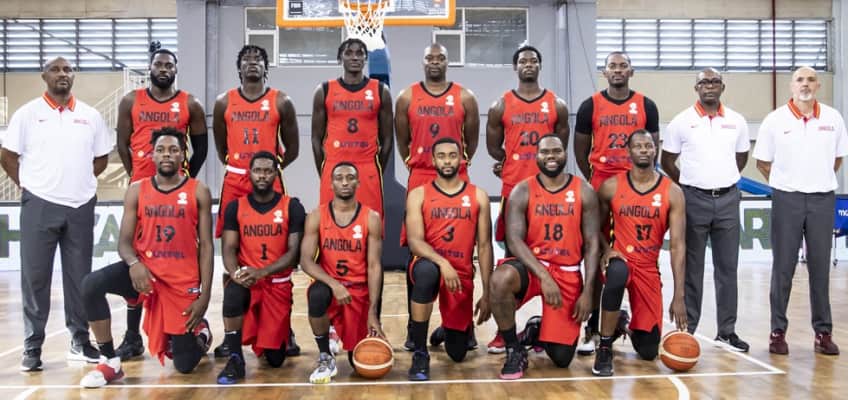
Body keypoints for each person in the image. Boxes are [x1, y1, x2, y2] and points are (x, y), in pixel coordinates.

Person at [0, 56, 113, 371]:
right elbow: (7, 156)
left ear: (73, 76)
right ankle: (32, 346)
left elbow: (101, 158)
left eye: (68, 69)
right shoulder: (27, 114)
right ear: (44, 76)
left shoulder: (90, 116)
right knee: (35, 278)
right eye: (55, 69)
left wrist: (80, 181)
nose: (62, 74)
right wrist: (28, 185)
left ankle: (80, 341)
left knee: (80, 278)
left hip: (80, 205)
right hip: (40, 204)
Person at [78, 128, 214, 388]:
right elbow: (124, 242)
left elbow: (206, 247)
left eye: (173, 150)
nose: (167, 155)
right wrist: (134, 263)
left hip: (180, 281)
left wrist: (204, 296)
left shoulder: (199, 191)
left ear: (183, 155)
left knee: (184, 364)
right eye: (160, 150)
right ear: (152, 155)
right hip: (146, 274)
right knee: (90, 285)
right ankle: (109, 361)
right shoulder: (137, 190)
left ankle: (201, 333)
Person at [113, 44, 209, 360]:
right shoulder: (131, 101)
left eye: (169, 65)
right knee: (137, 262)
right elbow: (122, 143)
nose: (164, 69)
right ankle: (132, 336)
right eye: (159, 64)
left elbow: (201, 148)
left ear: (176, 69)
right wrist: (136, 176)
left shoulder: (190, 103)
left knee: (176, 260)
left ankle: (189, 321)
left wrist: (185, 181)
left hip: (176, 193)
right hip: (143, 194)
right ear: (150, 68)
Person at [212, 44, 300, 357]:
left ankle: (284, 329)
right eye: (247, 60)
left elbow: (292, 147)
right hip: (236, 178)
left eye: (258, 59)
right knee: (232, 252)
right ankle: (231, 333)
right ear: (239, 68)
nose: (252, 64)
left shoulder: (281, 101)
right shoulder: (224, 101)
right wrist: (245, 170)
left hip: (269, 178)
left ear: (266, 68)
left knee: (277, 246)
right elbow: (221, 147)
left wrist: (267, 171)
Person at [488, 135, 599, 380]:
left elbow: (593, 244)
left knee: (561, 358)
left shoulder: (584, 191)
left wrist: (588, 291)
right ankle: (513, 349)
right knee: (500, 279)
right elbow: (514, 240)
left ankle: (537, 329)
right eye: (545, 152)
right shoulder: (522, 190)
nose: (551, 156)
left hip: (567, 272)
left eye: (556, 151)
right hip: (533, 268)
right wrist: (544, 276)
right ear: (536, 156)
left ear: (565, 154)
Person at [753, 66, 845, 356]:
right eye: (799, 80)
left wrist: (815, 180)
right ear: (791, 86)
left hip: (822, 199)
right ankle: (777, 332)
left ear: (818, 86)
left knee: (820, 268)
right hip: (787, 199)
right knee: (783, 268)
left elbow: (837, 158)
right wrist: (787, 183)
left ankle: (823, 333)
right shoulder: (774, 120)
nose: (805, 84)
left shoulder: (833, 118)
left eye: (811, 80)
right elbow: (762, 162)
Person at [572, 51, 659, 356]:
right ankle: (593, 327)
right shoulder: (590, 105)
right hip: (603, 183)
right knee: (596, 254)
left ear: (631, 71)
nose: (618, 70)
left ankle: (630, 318)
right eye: (612, 66)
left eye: (623, 66)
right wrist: (595, 179)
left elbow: (653, 146)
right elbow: (580, 150)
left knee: (636, 254)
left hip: (637, 186)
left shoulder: (646, 105)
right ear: (605, 72)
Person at [395, 43, 480, 351]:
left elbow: (471, 142)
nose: (435, 62)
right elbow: (402, 140)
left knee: (462, 253)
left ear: (448, 61)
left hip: (456, 175)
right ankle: (414, 326)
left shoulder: (465, 97)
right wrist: (419, 162)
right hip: (421, 174)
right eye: (429, 57)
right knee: (417, 254)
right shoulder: (407, 97)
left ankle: (463, 325)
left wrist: (455, 163)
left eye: (441, 57)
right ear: (422, 62)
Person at [485, 45, 569, 353]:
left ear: (540, 66)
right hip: (513, 190)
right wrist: (508, 162)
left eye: (534, 60)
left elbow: (560, 145)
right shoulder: (500, 105)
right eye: (523, 61)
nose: (529, 64)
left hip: (549, 194)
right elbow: (493, 146)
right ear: (515, 67)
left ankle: (550, 326)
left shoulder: (556, 104)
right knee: (512, 262)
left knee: (554, 257)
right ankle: (505, 330)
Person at [661, 68, 750, 352]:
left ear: (722, 86)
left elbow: (741, 157)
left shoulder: (737, 121)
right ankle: (689, 329)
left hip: (728, 200)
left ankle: (727, 331)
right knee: (692, 268)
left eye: (714, 82)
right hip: (693, 199)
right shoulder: (681, 122)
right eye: (704, 82)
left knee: (728, 268)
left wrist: (722, 179)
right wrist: (689, 184)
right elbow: (667, 160)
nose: (709, 86)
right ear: (696, 88)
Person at [593, 130, 687, 376]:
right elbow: (593, 228)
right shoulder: (611, 186)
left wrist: (679, 295)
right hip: (619, 260)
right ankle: (604, 348)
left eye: (648, 145)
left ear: (655, 150)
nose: (644, 149)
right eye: (638, 146)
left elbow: (677, 246)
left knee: (648, 350)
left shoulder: (672, 192)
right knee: (617, 273)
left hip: (648, 268)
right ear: (629, 151)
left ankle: (622, 322)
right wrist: (607, 249)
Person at [405, 137, 493, 380]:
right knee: (427, 272)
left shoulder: (479, 196)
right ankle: (420, 352)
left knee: (457, 354)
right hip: (429, 264)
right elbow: (415, 242)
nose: (447, 161)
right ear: (433, 160)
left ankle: (449, 328)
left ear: (462, 160)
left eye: (452, 156)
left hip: (461, 274)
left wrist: (487, 293)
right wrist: (443, 263)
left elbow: (485, 246)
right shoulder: (418, 194)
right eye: (441, 156)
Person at [216, 151, 306, 384]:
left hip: (276, 285)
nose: (262, 175)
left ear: (276, 174)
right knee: (232, 292)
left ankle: (279, 334)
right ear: (250, 174)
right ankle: (235, 357)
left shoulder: (292, 206)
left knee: (276, 360)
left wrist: (262, 272)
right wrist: (236, 273)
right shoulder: (235, 207)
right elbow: (228, 248)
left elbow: (293, 254)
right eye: (257, 171)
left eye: (268, 171)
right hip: (248, 283)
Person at [299, 162, 385, 384]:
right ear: (331, 183)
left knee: (361, 364)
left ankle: (343, 333)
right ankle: (325, 355)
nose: (345, 182)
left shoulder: (371, 218)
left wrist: (373, 312)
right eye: (339, 178)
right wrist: (334, 284)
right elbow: (305, 261)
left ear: (358, 183)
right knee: (317, 293)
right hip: (331, 288)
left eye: (350, 178)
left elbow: (374, 266)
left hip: (358, 292)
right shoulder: (317, 216)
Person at [312, 38, 393, 216]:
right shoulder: (324, 90)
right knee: (331, 223)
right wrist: (325, 171)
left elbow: (387, 139)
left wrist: (376, 167)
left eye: (359, 53)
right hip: (334, 164)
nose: (354, 57)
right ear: (340, 58)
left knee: (370, 224)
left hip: (367, 166)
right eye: (349, 53)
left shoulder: (380, 90)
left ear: (365, 58)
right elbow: (315, 139)